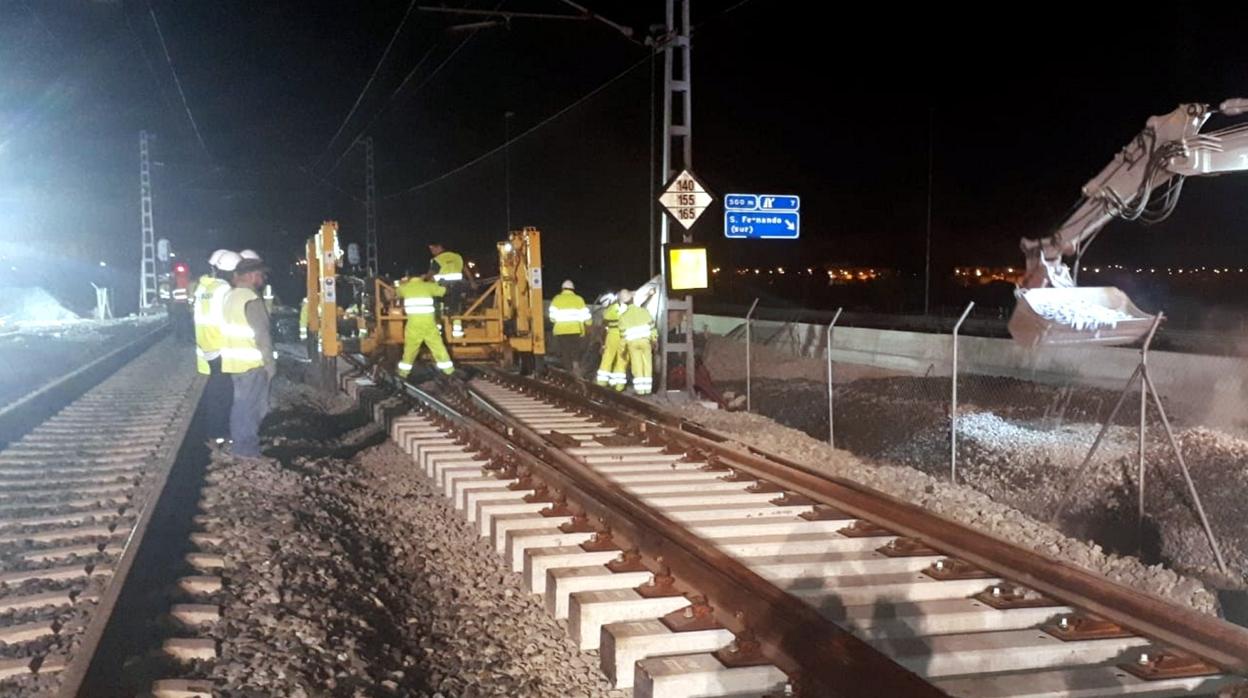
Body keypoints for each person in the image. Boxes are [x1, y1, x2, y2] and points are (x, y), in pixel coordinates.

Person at [221, 257, 275, 458]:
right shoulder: (251, 299)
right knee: (251, 408)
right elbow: (262, 334)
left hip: (234, 362)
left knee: (241, 405)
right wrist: (270, 364)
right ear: (252, 276)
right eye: (261, 275)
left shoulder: (230, 297)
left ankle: (242, 445)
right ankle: (247, 450)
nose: (263, 279)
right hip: (252, 363)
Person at [193, 249, 240, 444]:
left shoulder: (204, 288)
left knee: (215, 389)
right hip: (222, 346)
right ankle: (221, 432)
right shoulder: (225, 291)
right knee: (224, 392)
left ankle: (215, 430)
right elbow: (232, 320)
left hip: (207, 346)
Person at [396, 271, 454, 377]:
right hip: (429, 324)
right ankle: (449, 372)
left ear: (409, 276)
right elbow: (444, 291)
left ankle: (403, 374)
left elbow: (395, 293)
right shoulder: (428, 286)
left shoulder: (405, 288)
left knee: (409, 351)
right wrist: (438, 283)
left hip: (413, 326)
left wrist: (401, 283)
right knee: (438, 347)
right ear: (422, 275)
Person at [618, 288, 657, 395]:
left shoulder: (623, 317)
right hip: (645, 342)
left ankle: (640, 390)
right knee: (647, 365)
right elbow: (652, 327)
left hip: (632, 344)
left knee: (637, 366)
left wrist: (622, 350)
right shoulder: (643, 312)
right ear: (632, 299)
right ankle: (648, 390)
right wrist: (654, 340)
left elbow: (623, 336)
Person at [548, 279, 591, 375]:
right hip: (575, 329)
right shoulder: (578, 299)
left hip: (561, 330)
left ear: (562, 289)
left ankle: (569, 370)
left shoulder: (556, 299)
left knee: (565, 350)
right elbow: (586, 316)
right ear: (573, 289)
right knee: (575, 349)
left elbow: (552, 317)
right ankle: (576, 365)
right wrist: (589, 323)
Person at [428, 243, 467, 338]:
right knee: (456, 310)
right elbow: (465, 269)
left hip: (442, 288)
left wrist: (422, 280)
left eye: (433, 249)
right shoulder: (457, 257)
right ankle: (457, 334)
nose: (432, 252)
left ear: (439, 247)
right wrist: (472, 282)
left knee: (439, 310)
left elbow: (431, 274)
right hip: (458, 287)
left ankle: (439, 333)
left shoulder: (437, 260)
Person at [596, 289, 629, 389]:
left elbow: (604, 324)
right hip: (624, 337)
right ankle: (618, 385)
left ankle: (602, 383)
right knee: (622, 360)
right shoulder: (628, 309)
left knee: (607, 358)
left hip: (612, 336)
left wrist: (602, 343)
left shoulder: (609, 311)